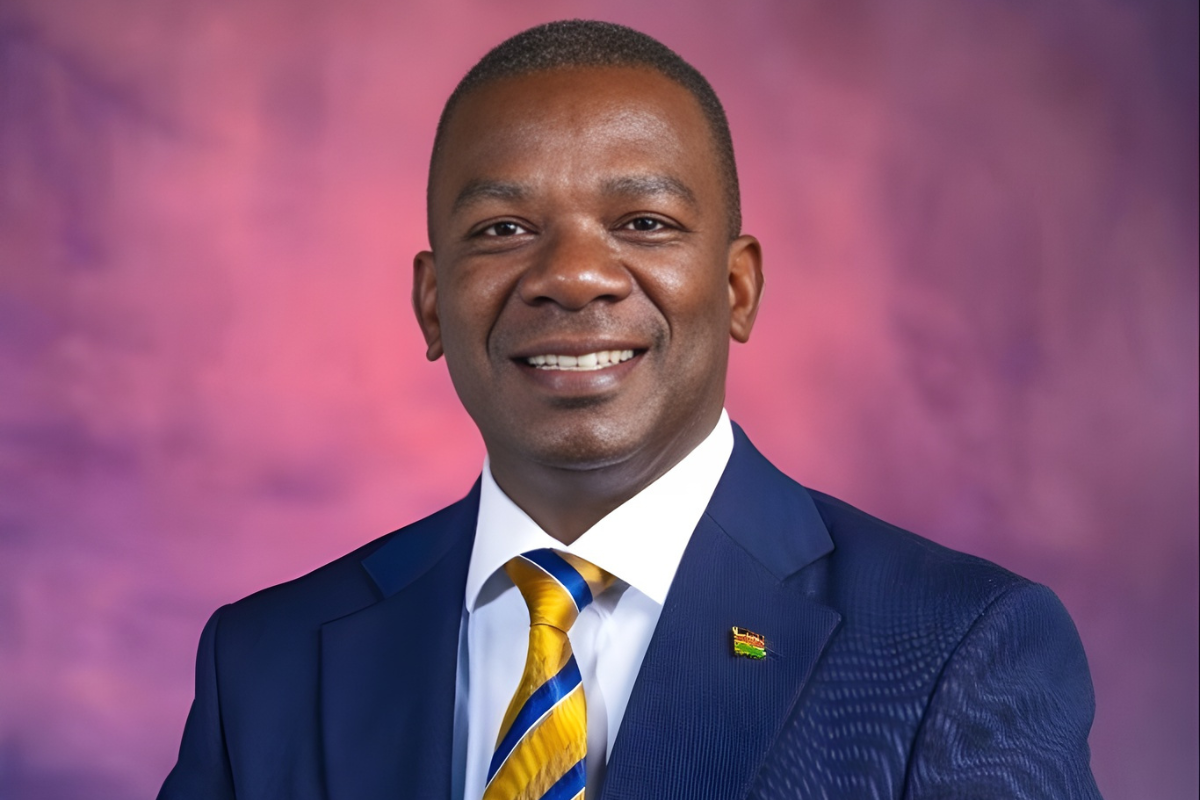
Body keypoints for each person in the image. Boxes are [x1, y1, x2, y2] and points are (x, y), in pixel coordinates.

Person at [158, 20, 1101, 800]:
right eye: (503, 230)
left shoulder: (955, 648)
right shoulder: (265, 662)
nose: (571, 276)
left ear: (737, 289)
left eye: (643, 223)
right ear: (433, 302)